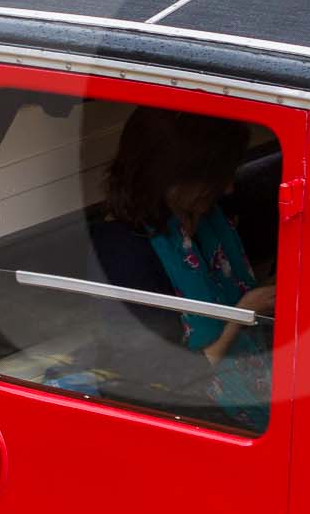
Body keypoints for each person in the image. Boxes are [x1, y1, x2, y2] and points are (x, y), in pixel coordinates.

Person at [91, 107, 273, 431]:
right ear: (172, 175)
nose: (228, 187)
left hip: (252, 373)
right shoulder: (124, 253)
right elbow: (173, 376)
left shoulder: (207, 214)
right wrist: (244, 312)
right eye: (218, 176)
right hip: (196, 408)